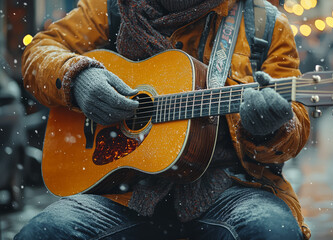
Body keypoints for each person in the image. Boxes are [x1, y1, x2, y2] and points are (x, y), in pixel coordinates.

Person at [16, 0, 311, 239]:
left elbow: (295, 124)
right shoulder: (110, 8)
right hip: (123, 196)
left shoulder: (263, 23)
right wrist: (77, 76)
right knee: (43, 232)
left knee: (273, 230)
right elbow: (39, 52)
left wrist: (268, 129)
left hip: (233, 191)